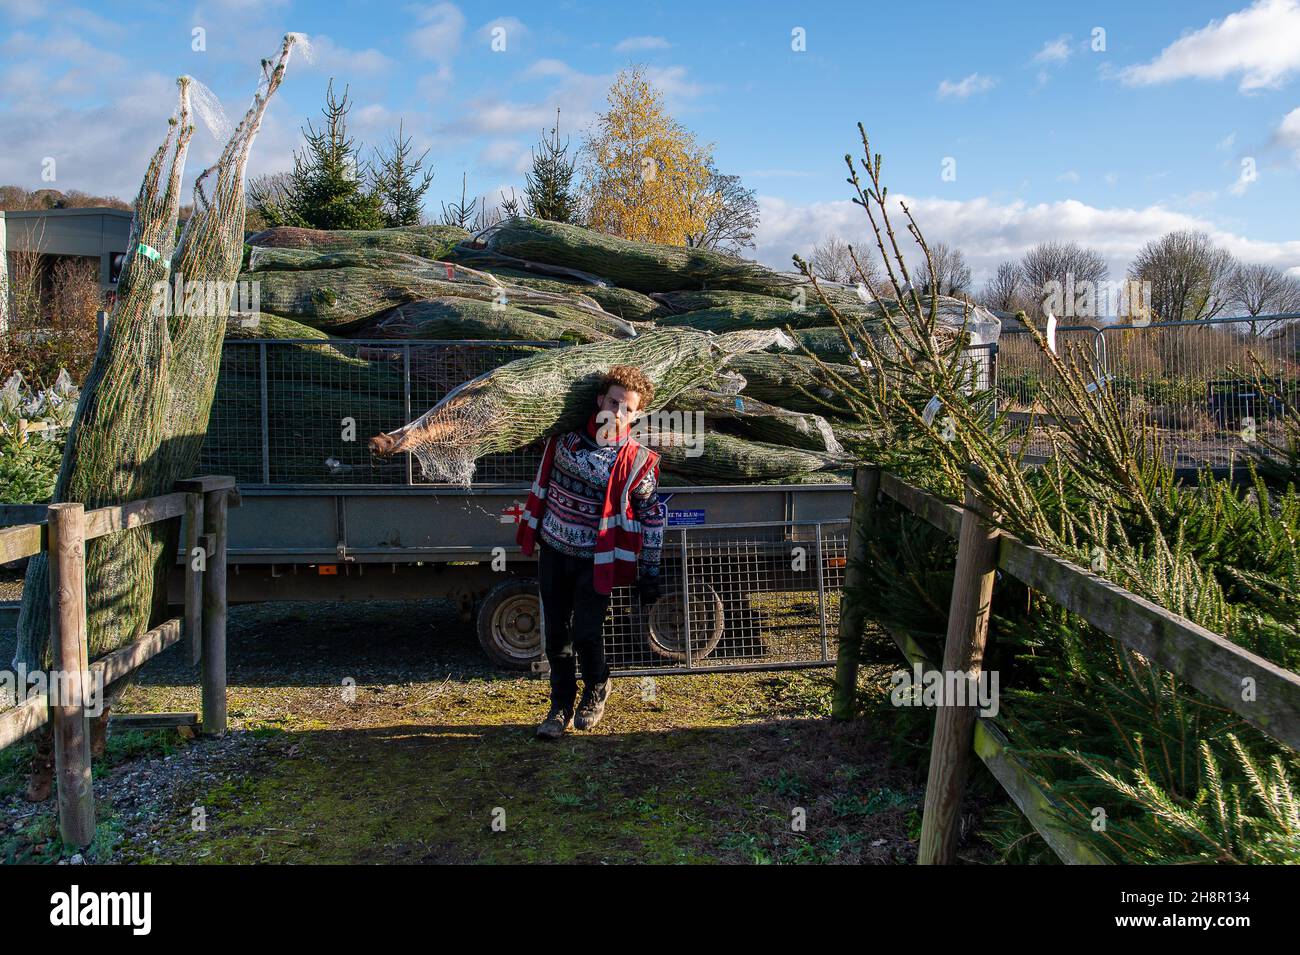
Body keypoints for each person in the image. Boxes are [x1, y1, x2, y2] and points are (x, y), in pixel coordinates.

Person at [516, 365, 665, 740]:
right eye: (613, 402)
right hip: (553, 551)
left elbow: (652, 517)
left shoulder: (635, 462)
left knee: (586, 634)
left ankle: (597, 688)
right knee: (556, 637)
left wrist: (649, 570)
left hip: (594, 561)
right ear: (599, 400)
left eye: (627, 408)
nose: (617, 412)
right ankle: (560, 707)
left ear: (637, 415)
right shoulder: (562, 439)